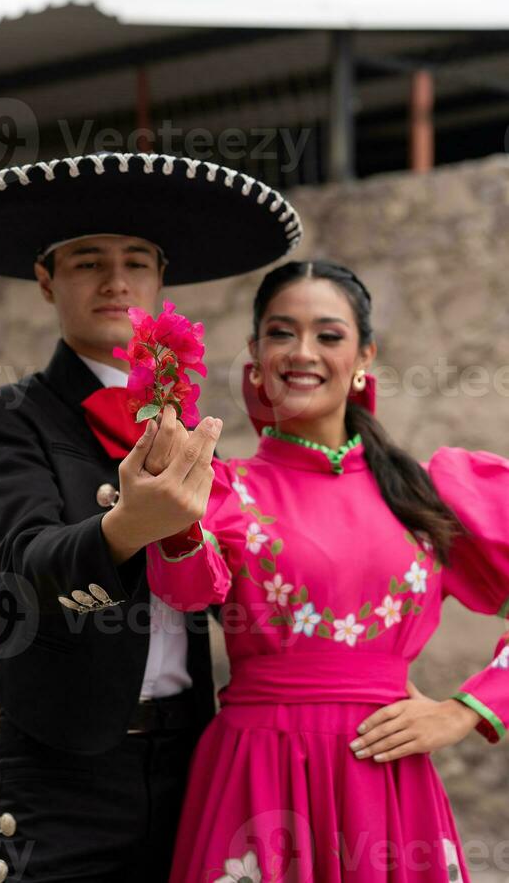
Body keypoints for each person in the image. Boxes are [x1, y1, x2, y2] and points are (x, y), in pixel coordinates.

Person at [0, 152, 303, 883]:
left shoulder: (189, 430)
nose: (116, 280)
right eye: (87, 262)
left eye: (135, 261)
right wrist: (126, 528)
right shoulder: (4, 418)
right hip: (64, 763)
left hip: (192, 755)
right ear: (46, 280)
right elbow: (27, 562)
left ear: (160, 280)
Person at [108, 259, 509, 882]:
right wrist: (175, 518)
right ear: (255, 354)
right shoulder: (223, 487)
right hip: (257, 779)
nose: (302, 352)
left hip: (387, 786)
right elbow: (185, 592)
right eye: (280, 332)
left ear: (364, 355)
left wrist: (463, 711)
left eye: (329, 335)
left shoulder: (431, 496)